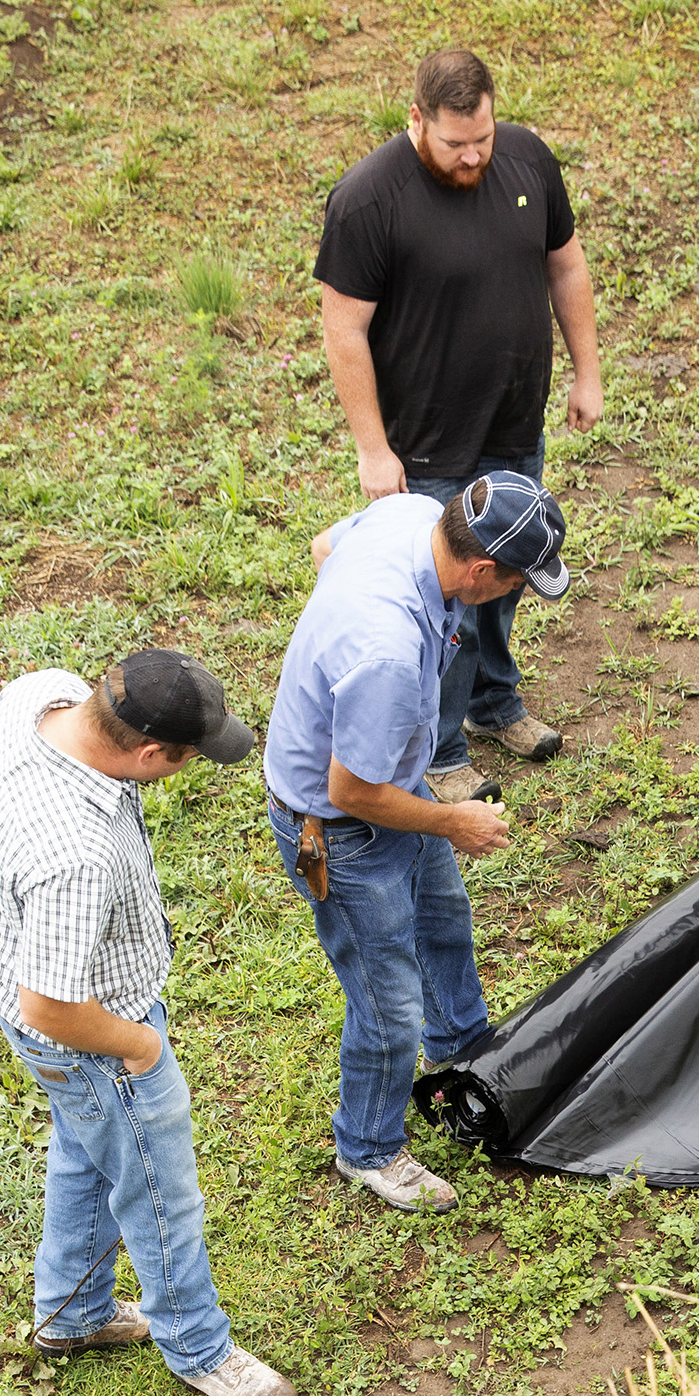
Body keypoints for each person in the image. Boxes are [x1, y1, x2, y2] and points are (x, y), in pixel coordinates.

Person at [0, 653, 293, 1396]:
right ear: (149, 754)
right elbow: (51, 1005)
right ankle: (199, 1346)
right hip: (88, 1035)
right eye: (186, 758)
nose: (186, 768)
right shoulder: (73, 852)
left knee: (90, 1153)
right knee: (156, 1186)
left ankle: (69, 1315)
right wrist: (139, 1047)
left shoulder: (35, 698)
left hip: (30, 1002)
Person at [264, 470, 569, 1212]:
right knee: (386, 999)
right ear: (482, 571)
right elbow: (351, 795)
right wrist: (453, 821)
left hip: (395, 781)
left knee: (442, 922)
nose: (519, 596)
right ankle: (367, 1148)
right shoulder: (389, 653)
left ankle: (466, 1054)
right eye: (521, 583)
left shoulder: (411, 515)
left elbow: (322, 546)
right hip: (341, 830)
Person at [314, 45, 601, 806]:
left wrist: (588, 371)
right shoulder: (370, 199)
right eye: (454, 143)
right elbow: (343, 329)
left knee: (505, 574)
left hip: (511, 425)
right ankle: (436, 749)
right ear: (416, 120)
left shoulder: (527, 160)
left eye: (483, 138)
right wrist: (374, 451)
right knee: (442, 599)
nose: (474, 156)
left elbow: (565, 265)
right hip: (425, 445)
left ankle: (494, 702)